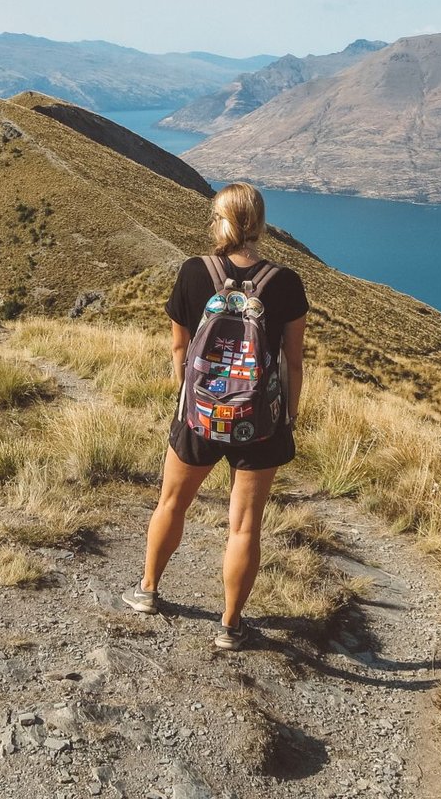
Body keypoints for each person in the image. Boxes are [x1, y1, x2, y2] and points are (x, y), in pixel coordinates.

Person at [122, 182, 308, 649]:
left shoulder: (192, 272)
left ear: (218, 220)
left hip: (199, 414)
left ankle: (147, 591)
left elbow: (179, 347)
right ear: (261, 224)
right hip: (260, 421)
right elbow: (293, 359)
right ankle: (230, 626)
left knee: (171, 503)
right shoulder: (285, 282)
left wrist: (187, 397)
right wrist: (289, 414)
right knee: (244, 525)